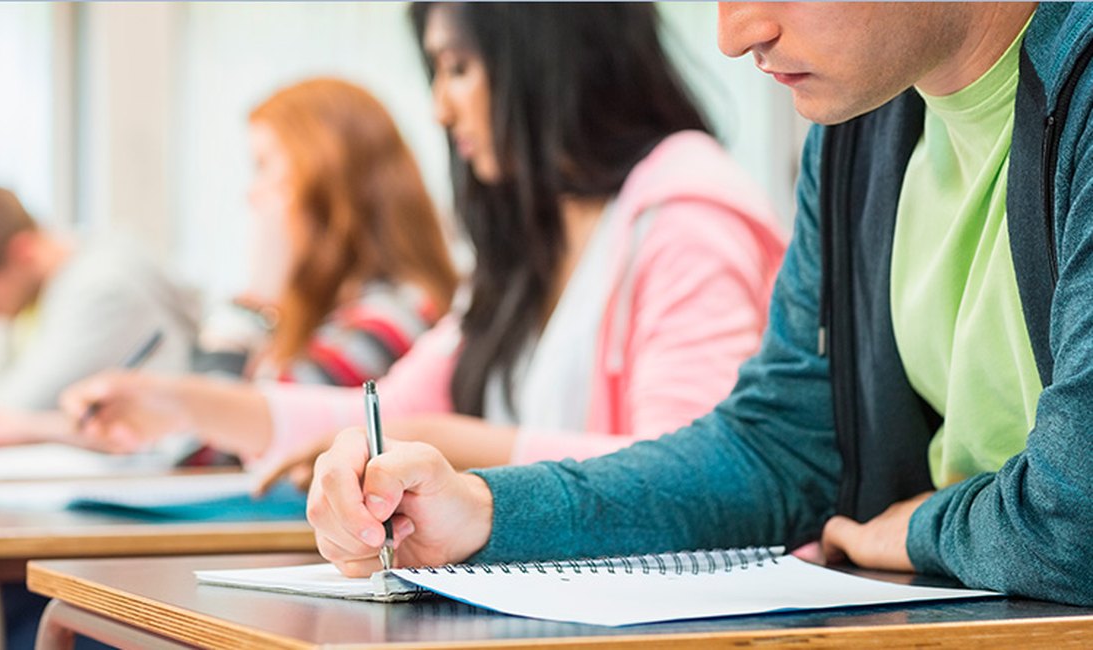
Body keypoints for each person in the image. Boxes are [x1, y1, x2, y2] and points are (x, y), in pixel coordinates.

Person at [299, 2, 1093, 608]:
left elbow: (1079, 519)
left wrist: (917, 530)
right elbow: (780, 452)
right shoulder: (859, 131)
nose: (735, 31)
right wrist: (485, 511)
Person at [61, 3, 784, 471]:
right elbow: (388, 413)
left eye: (460, 69)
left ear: (550, 59)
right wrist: (181, 403)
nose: (441, 107)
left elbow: (690, 476)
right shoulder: (533, 241)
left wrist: (454, 446)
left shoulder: (687, 217)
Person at [194, 78, 458, 388]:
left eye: (263, 166)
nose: (251, 194)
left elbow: (220, 431)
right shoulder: (336, 313)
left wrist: (254, 301)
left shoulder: (394, 318)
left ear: (324, 179)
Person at [0, 184, 198, 446]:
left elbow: (8, 410)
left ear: (22, 251)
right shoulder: (30, 296)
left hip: (166, 465)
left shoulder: (100, 288)